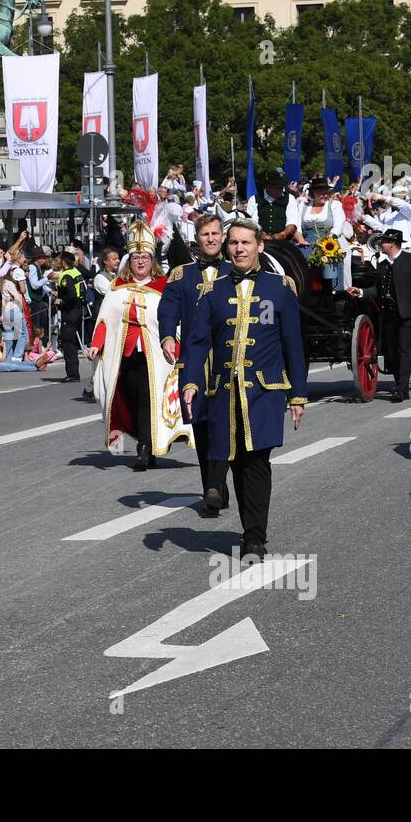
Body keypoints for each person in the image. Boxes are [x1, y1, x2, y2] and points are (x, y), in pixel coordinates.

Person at [181, 220, 307, 564]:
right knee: (234, 460)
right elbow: (196, 343)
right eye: (233, 243)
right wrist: (191, 382)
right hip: (224, 391)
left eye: (246, 243)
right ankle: (248, 527)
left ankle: (254, 537)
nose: (239, 249)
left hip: (264, 392)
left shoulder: (280, 287)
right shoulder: (213, 292)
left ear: (259, 247)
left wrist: (297, 395)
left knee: (257, 461)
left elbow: (293, 345)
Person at [88, 221, 190, 471]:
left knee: (148, 399)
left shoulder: (164, 287)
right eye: (136, 257)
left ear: (152, 260)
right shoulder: (117, 288)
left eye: (145, 257)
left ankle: (144, 448)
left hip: (155, 357)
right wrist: (96, 345)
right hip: (124, 355)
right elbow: (105, 320)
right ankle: (145, 442)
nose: (141, 261)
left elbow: (175, 322)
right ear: (129, 260)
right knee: (129, 399)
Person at [160, 213, 233, 516]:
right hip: (195, 363)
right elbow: (168, 309)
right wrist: (166, 336)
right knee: (201, 427)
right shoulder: (182, 275)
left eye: (216, 234)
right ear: (197, 239)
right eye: (206, 235)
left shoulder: (236, 271)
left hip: (229, 360)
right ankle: (212, 488)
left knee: (224, 425)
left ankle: (216, 484)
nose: (212, 239)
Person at [348, 228, 411, 402]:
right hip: (388, 314)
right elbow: (377, 290)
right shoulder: (382, 265)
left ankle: (402, 389)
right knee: (390, 351)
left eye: (384, 242)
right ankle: (399, 383)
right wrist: (360, 292)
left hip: (408, 314)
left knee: (404, 349)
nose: (381, 244)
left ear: (393, 244)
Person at [53, 251, 86, 382]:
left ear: (63, 261)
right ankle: (74, 373)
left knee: (68, 344)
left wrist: (61, 301)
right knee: (71, 342)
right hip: (77, 311)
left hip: (70, 312)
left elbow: (71, 294)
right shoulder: (76, 272)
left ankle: (72, 374)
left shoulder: (66, 275)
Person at [253, 172, 297, 241]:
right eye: (278, 188)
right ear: (268, 187)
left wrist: (284, 234)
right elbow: (252, 222)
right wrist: (262, 234)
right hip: (260, 240)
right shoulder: (254, 199)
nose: (281, 190)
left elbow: (292, 221)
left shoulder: (290, 198)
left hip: (284, 241)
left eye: (282, 187)